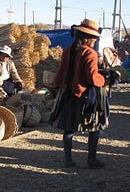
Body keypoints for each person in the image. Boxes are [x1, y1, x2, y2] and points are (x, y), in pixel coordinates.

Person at [49, 19, 108, 169]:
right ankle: (91, 160)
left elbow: (61, 72)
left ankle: (68, 160)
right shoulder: (90, 53)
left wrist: (56, 87)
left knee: (69, 128)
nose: (95, 40)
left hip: (68, 93)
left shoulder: (69, 50)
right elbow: (92, 78)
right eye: (94, 37)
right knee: (95, 127)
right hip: (85, 97)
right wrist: (106, 79)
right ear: (88, 37)